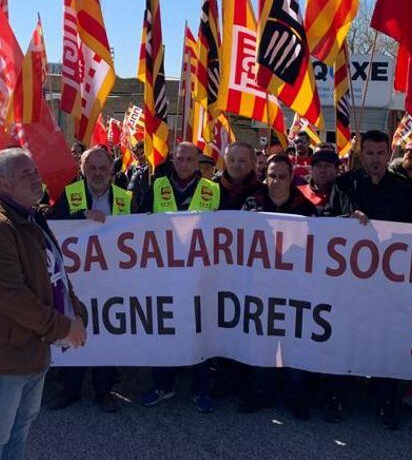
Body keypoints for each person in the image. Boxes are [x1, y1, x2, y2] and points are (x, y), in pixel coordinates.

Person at [0, 148, 86, 460]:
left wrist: (76, 310)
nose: (37, 177)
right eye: (26, 174)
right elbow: (16, 299)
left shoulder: (31, 219)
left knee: (20, 427)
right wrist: (64, 326)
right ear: (3, 184)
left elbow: (53, 276)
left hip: (34, 346)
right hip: (7, 351)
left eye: (35, 171)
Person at [326, 129, 412, 428]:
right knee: (343, 339)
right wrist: (345, 221)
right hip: (348, 282)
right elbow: (326, 224)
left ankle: (386, 402)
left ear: (389, 154)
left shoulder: (405, 190)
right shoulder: (343, 185)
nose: (376, 159)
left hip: (388, 283)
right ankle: (337, 397)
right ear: (360, 154)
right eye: (370, 153)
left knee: (385, 342)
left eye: (381, 153)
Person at [47, 146, 133, 413]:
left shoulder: (125, 197)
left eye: (102, 168)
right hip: (77, 279)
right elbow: (52, 226)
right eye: (91, 168)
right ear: (82, 169)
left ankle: (104, 390)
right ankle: (70, 388)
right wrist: (79, 218)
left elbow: (140, 231)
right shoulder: (70, 194)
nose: (97, 173)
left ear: (111, 170)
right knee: (76, 326)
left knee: (107, 331)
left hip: (112, 278)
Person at [140, 141, 221, 412]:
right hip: (164, 275)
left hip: (201, 276)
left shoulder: (213, 190)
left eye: (189, 159)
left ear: (198, 161)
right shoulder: (158, 185)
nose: (184, 163)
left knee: (201, 332)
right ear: (173, 160)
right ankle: (162, 385)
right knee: (164, 330)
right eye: (179, 158)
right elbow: (139, 223)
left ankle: (201, 390)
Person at [239, 153, 316, 420]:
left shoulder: (305, 208)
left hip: (294, 289)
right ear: (265, 176)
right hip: (260, 287)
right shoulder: (252, 204)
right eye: (272, 175)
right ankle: (260, 394)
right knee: (260, 342)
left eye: (282, 176)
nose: (276, 181)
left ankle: (297, 398)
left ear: (291, 177)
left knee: (294, 344)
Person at [217, 142, 263, 210]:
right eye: (231, 160)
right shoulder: (211, 187)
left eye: (242, 161)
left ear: (253, 163)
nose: (236, 165)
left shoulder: (262, 191)